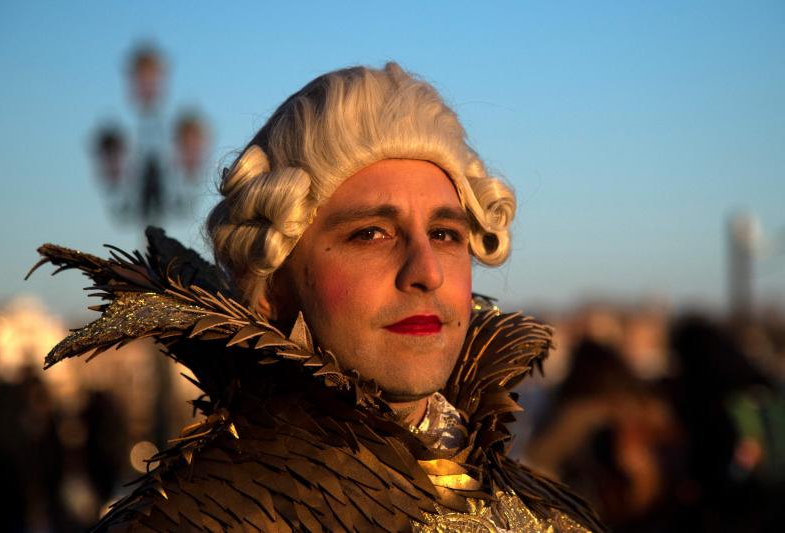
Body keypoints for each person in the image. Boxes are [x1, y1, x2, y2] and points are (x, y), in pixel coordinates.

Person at [33, 63, 603, 532]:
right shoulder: (196, 522)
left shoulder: (547, 510)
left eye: (446, 234)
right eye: (370, 234)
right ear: (274, 285)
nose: (425, 271)